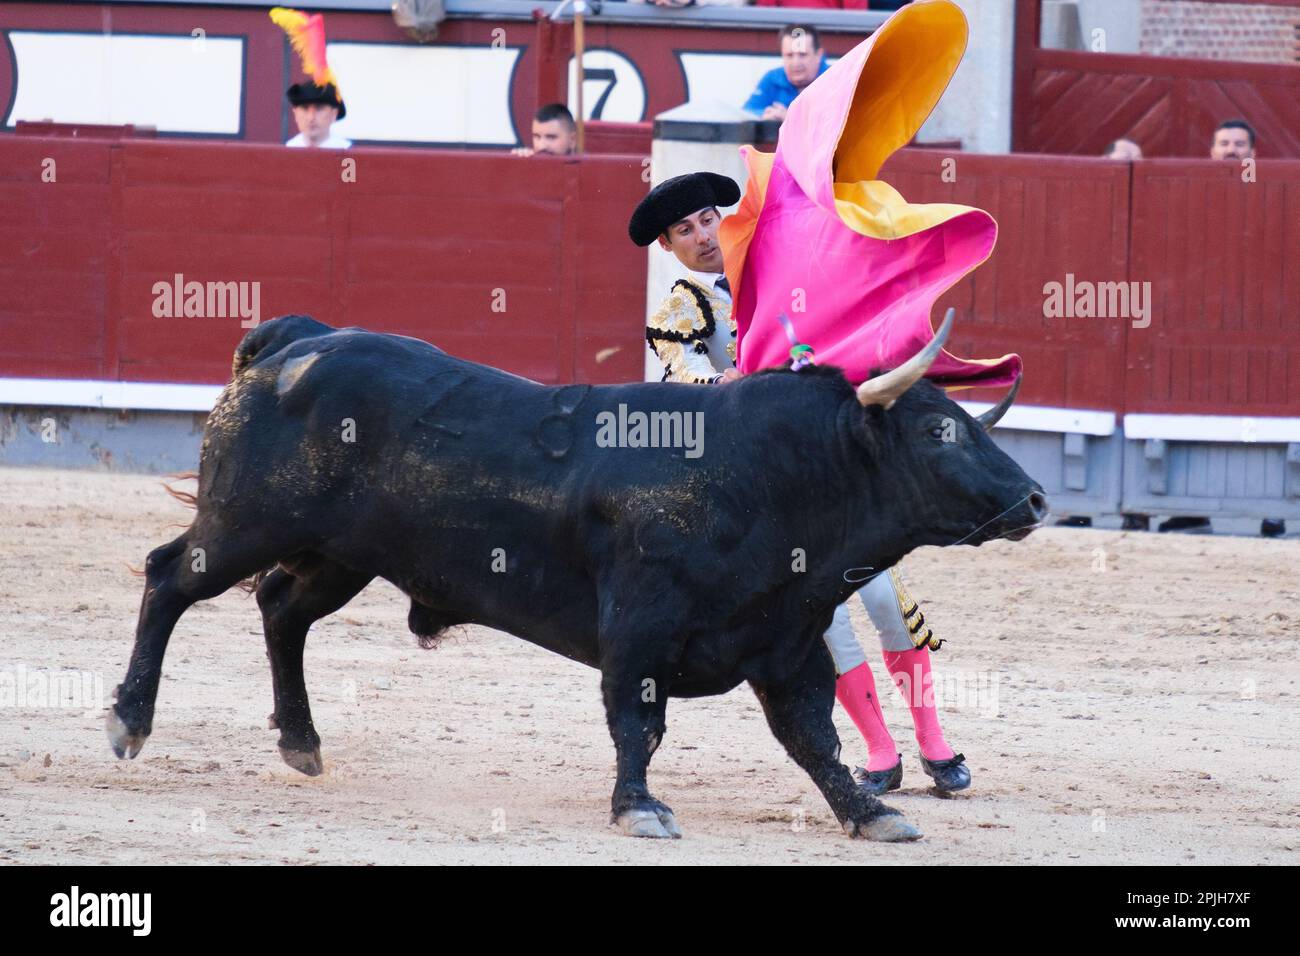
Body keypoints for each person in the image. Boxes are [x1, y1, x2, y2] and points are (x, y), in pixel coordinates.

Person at [630, 171, 971, 793]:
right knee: (828, 615)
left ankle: (933, 739)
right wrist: (727, 384)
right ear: (667, 246)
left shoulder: (775, 273)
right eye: (685, 230)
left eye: (708, 218)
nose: (703, 236)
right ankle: (880, 751)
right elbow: (680, 380)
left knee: (886, 600)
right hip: (761, 491)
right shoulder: (681, 308)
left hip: (825, 471)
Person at [743, 24, 830, 122]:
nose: (796, 63)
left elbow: (834, 124)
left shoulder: (835, 80)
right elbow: (747, 113)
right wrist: (765, 116)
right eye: (789, 55)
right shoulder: (772, 78)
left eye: (802, 55)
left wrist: (791, 119)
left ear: (818, 55)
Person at [285, 82, 351, 149]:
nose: (311, 118)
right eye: (305, 108)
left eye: (319, 109)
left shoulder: (347, 154)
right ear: (295, 114)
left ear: (334, 114)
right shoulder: (286, 152)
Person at [511, 103, 578, 157]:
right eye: (537, 137)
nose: (542, 145)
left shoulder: (584, 171)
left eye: (551, 137)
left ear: (572, 140)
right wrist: (520, 163)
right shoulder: (528, 161)